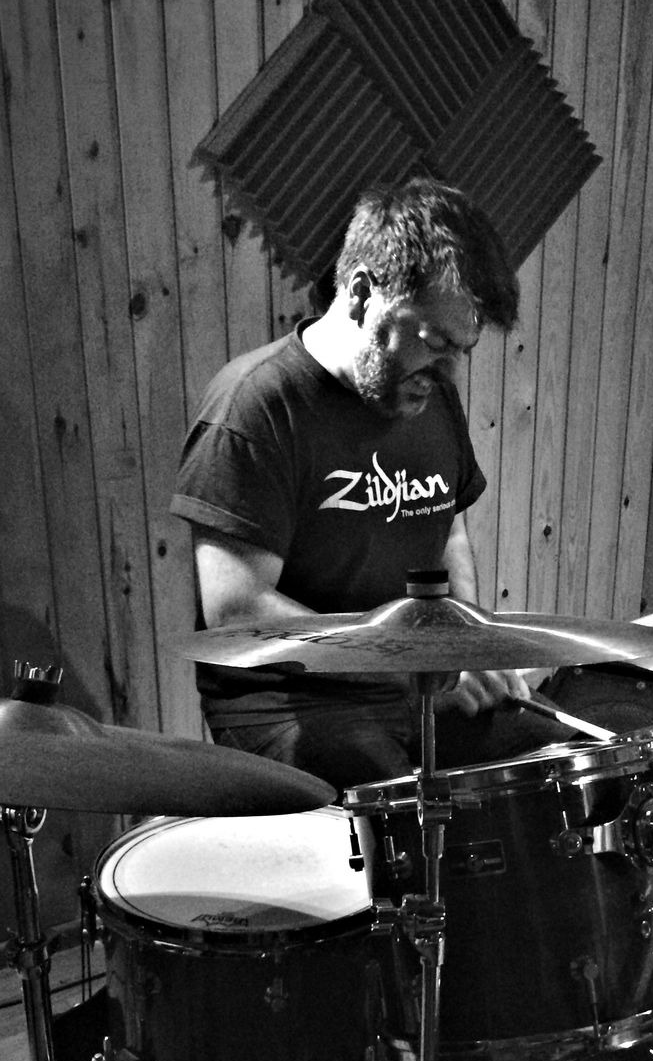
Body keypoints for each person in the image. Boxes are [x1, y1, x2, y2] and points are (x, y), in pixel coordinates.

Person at [170, 176, 558, 792]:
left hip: (413, 686)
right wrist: (411, 665)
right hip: (291, 701)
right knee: (397, 805)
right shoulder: (256, 406)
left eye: (461, 350)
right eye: (434, 341)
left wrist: (466, 646)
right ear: (359, 294)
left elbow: (449, 532)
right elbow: (237, 607)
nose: (448, 370)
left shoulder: (429, 394)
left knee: (557, 766)